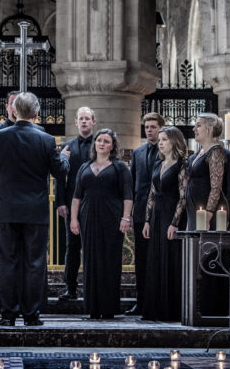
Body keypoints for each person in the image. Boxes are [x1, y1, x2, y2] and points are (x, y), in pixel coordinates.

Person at [0, 92, 69, 326]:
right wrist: (65, 158)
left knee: (7, 261)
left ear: (14, 111)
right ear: (37, 114)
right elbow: (60, 171)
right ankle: (31, 314)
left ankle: (8, 314)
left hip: (7, 209)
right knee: (35, 262)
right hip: (35, 210)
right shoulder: (47, 139)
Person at [70, 128, 133, 319]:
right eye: (99, 140)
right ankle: (92, 307)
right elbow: (76, 197)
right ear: (94, 144)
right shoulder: (84, 167)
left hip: (112, 217)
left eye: (106, 141)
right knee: (90, 260)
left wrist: (126, 217)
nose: (102, 144)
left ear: (112, 146)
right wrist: (74, 219)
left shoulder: (119, 167)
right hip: (88, 217)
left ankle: (108, 307)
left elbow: (128, 195)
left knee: (110, 261)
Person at [141, 126, 188, 321]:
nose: (160, 142)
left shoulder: (182, 165)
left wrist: (175, 222)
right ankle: (156, 309)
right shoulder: (158, 163)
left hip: (172, 214)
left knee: (172, 258)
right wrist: (146, 221)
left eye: (165, 139)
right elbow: (151, 193)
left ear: (174, 141)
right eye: (159, 139)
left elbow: (184, 196)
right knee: (156, 258)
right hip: (157, 216)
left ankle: (172, 310)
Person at [186, 113, 229, 316]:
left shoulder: (215, 152)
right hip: (196, 211)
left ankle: (213, 306)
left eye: (199, 125)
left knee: (211, 256)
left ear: (210, 129)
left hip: (209, 212)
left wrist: (210, 212)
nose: (194, 129)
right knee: (198, 258)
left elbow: (216, 185)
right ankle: (198, 305)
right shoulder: (198, 152)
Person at [55, 107, 97, 301]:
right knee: (72, 247)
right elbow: (60, 177)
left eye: (87, 119)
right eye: (81, 119)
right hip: (72, 203)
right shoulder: (67, 146)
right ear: (76, 122)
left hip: (94, 203)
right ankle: (70, 288)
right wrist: (60, 202)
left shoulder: (101, 144)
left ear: (93, 122)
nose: (84, 122)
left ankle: (92, 288)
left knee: (91, 247)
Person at [126, 112, 164, 315]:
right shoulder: (138, 153)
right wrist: (130, 213)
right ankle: (140, 302)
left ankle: (157, 302)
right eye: (147, 127)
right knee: (141, 262)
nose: (149, 130)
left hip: (160, 213)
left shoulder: (167, 150)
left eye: (153, 127)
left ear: (161, 128)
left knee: (157, 260)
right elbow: (132, 185)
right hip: (140, 213)